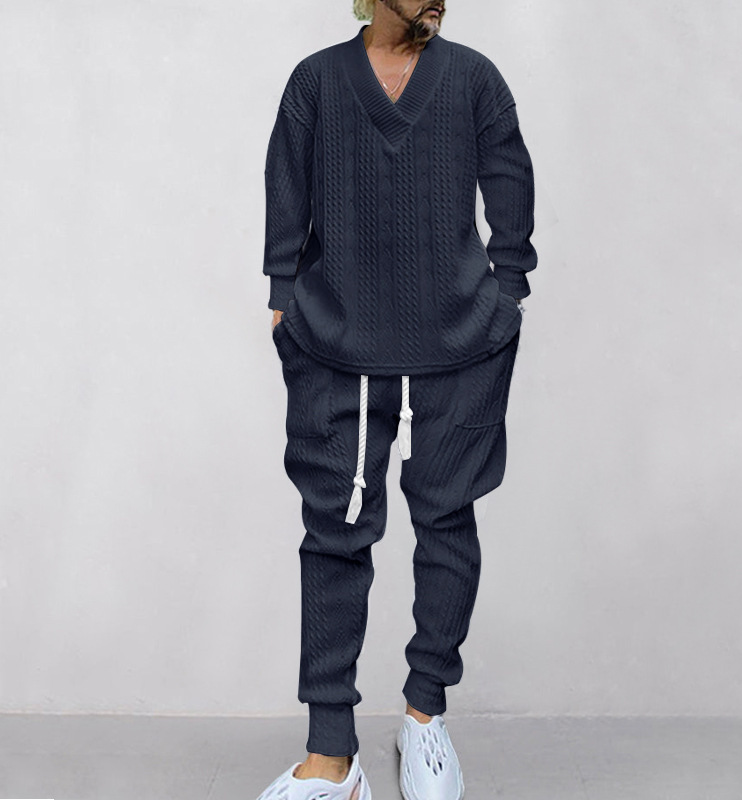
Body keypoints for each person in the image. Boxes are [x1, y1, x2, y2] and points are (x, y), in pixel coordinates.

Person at [256, 0, 536, 797]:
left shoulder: (475, 80)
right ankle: (331, 754)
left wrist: (508, 293)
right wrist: (283, 298)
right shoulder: (316, 83)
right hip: (336, 345)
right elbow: (286, 189)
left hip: (459, 344)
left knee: (447, 523)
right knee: (333, 537)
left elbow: (510, 184)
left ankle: (425, 717)